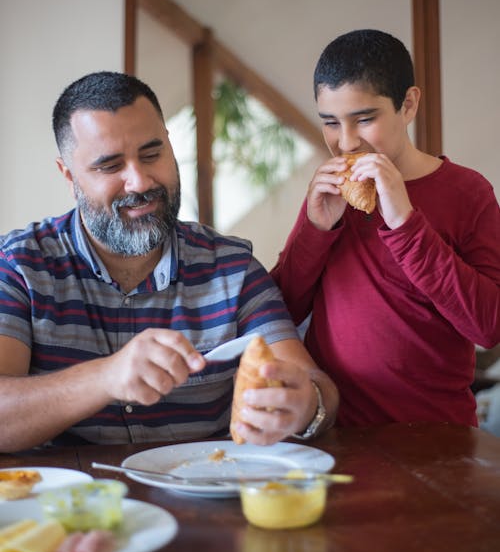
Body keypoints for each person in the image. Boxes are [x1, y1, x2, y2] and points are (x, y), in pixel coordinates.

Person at [0, 71, 338, 452]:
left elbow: (313, 382)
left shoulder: (230, 266)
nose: (140, 182)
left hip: (208, 496)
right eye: (110, 166)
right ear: (69, 175)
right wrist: (104, 379)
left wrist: (307, 406)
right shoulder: (19, 266)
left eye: (152, 154)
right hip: (69, 505)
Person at [271, 29, 500, 427]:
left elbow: (488, 327)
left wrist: (406, 224)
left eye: (364, 119)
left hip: (439, 438)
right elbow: (280, 310)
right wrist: (314, 229)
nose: (345, 143)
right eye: (330, 122)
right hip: (337, 436)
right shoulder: (329, 198)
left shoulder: (468, 192)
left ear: (408, 104)